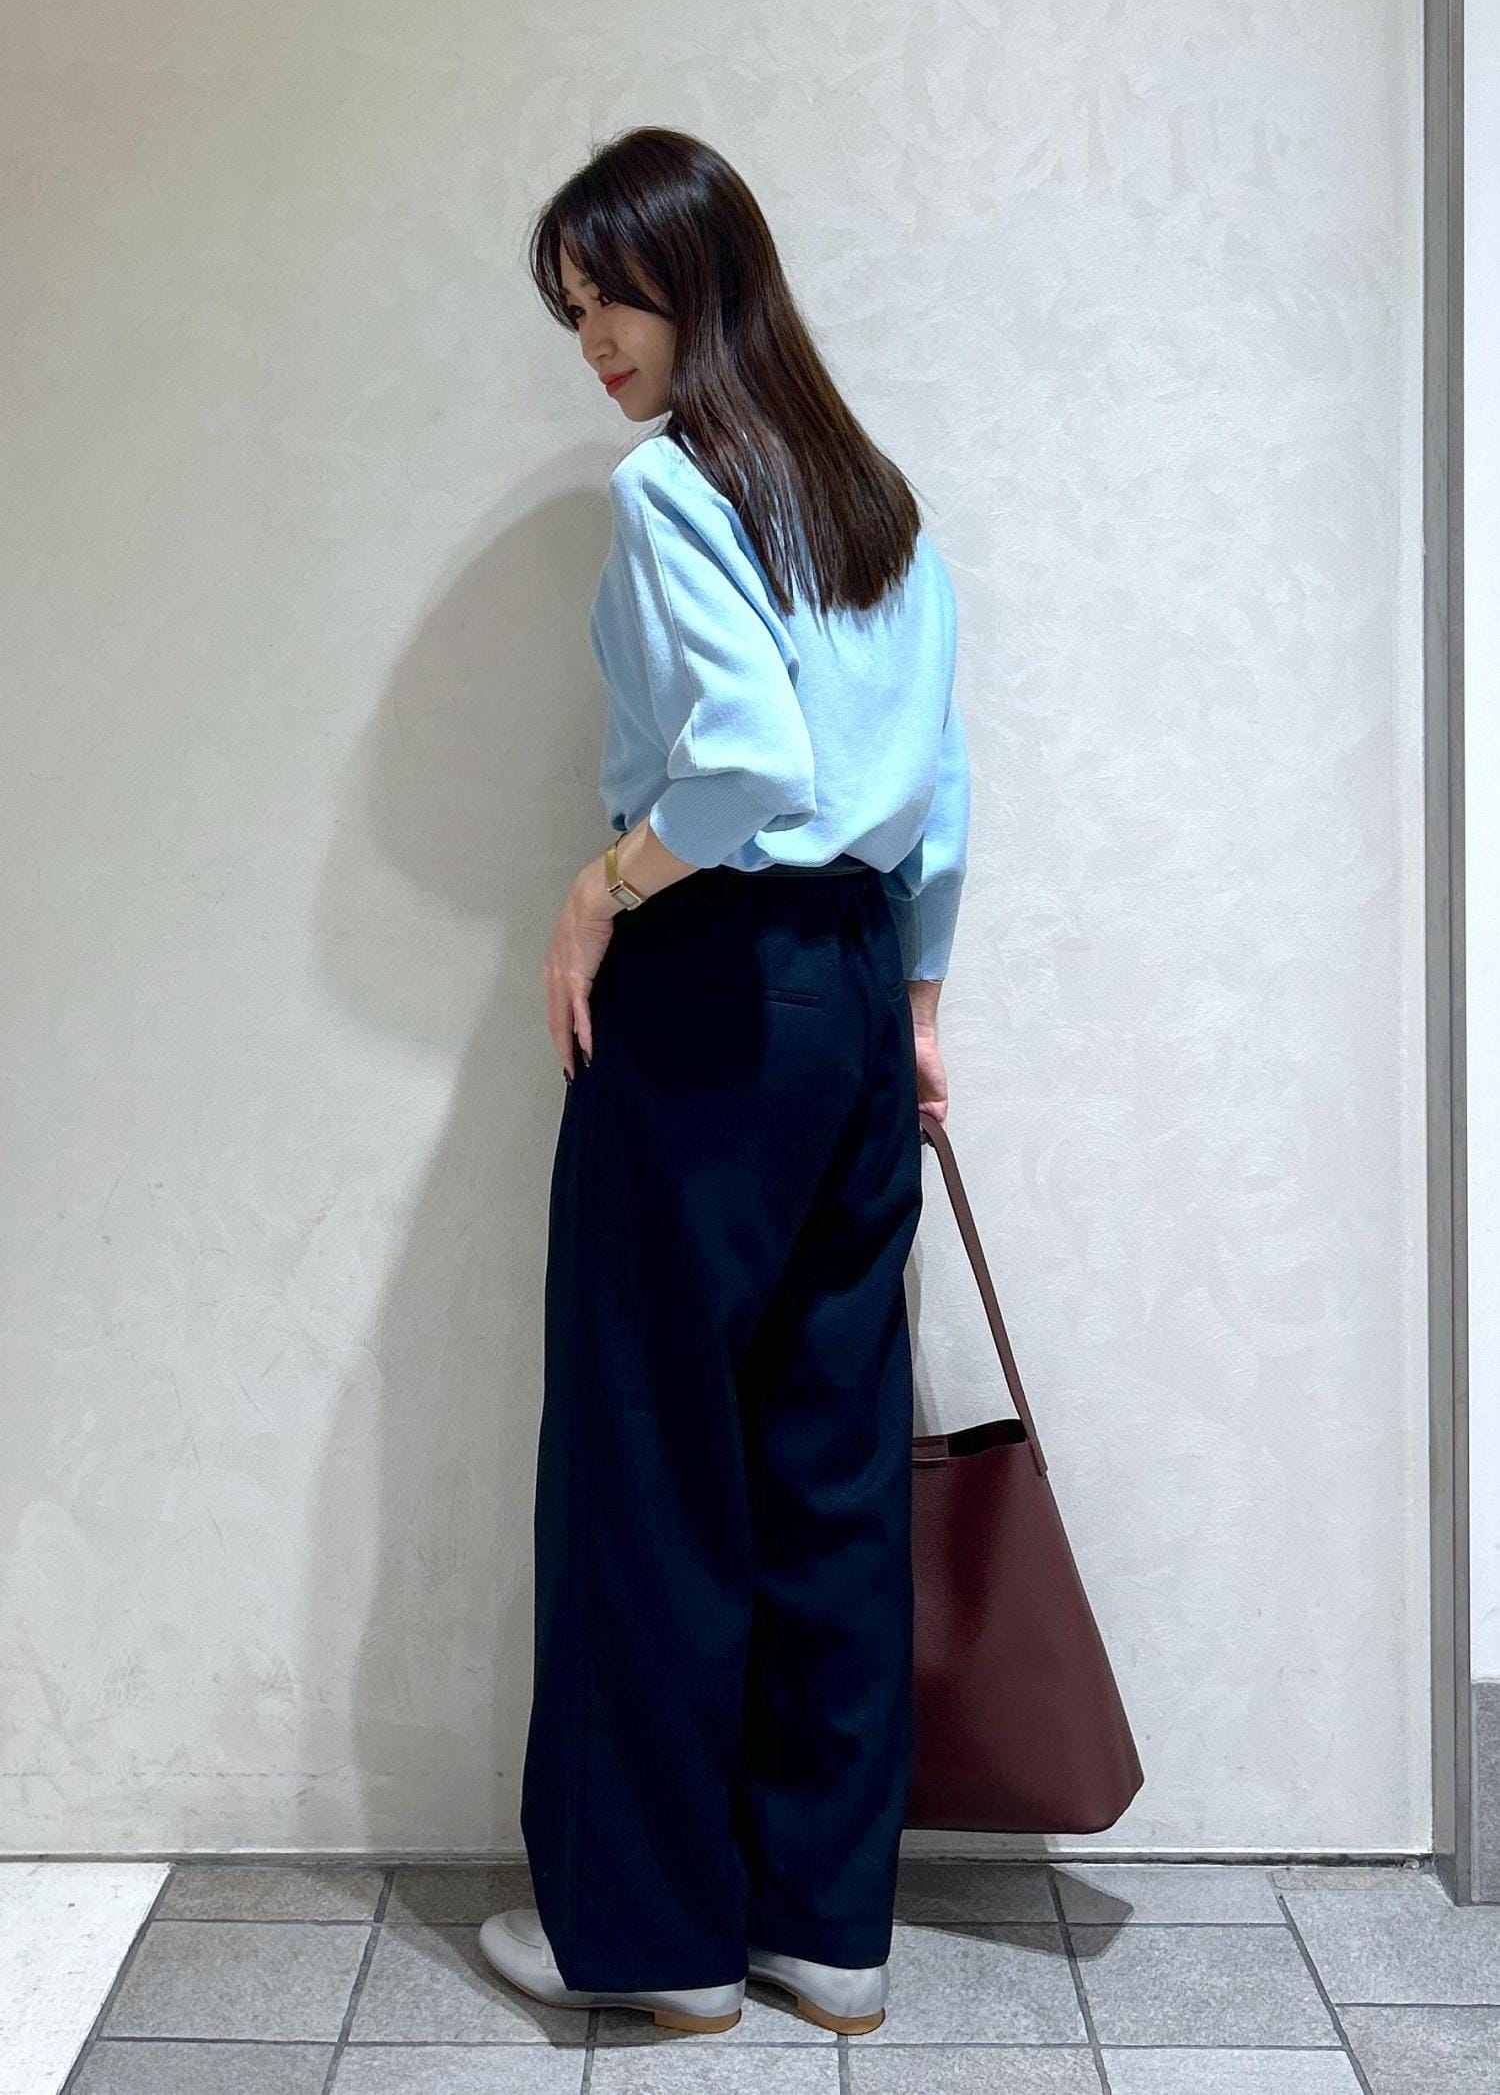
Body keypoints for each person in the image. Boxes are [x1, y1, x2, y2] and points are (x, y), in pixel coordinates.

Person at [479, 126, 970, 2039]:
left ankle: (658, 1935)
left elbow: (749, 762)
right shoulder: (874, 498)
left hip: (709, 989)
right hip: (850, 986)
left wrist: (602, 887)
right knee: (830, 1453)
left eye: (613, 294)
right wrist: (915, 1006)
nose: (593, 339)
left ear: (703, 276)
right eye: (570, 309)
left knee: (651, 1447)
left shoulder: (672, 482)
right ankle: (828, 1925)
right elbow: (942, 781)